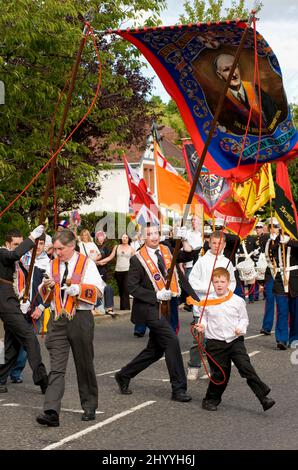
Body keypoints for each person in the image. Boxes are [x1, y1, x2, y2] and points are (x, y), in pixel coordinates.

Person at [114, 224, 192, 403]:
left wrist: (184, 238)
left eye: (157, 233)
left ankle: (124, 375)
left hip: (168, 306)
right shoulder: (137, 259)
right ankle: (178, 388)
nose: (154, 237)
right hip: (150, 308)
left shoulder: (167, 250)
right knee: (172, 340)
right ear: (142, 238)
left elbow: (188, 255)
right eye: (149, 234)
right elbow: (131, 287)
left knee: (155, 350)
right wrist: (155, 295)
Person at [36, 229, 105, 427]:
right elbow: (45, 293)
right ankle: (51, 411)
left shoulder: (86, 263)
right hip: (58, 320)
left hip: (80, 318)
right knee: (57, 367)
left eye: (60, 249)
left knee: (84, 364)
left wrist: (80, 289)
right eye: (55, 249)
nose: (57, 253)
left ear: (71, 246)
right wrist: (47, 286)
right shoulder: (53, 264)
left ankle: (89, 404)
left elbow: (99, 291)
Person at [195, 267, 275, 412]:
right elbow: (204, 319)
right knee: (220, 375)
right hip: (215, 344)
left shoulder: (237, 301)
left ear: (228, 283)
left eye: (222, 281)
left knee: (246, 368)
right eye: (216, 282)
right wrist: (202, 326)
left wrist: (240, 328)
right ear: (212, 283)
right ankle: (210, 399)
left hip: (235, 341)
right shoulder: (206, 301)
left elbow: (244, 319)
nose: (219, 285)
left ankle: (263, 398)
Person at [0, 226, 48, 394]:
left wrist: (23, 301)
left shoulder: (18, 262)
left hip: (12, 302)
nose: (19, 247)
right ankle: (42, 378)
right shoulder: (2, 252)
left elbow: (23, 283)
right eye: (15, 244)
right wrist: (32, 237)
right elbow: (13, 254)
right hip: (4, 303)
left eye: (21, 244)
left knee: (12, 345)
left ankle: (0, 378)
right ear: (7, 243)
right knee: (29, 337)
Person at [187, 230, 236, 381]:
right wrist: (208, 287)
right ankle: (194, 366)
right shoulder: (202, 261)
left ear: (224, 244)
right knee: (199, 339)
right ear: (209, 243)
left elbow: (232, 282)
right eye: (214, 243)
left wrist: (225, 293)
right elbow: (192, 281)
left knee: (218, 340)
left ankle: (216, 368)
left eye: (220, 243)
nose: (216, 246)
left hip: (220, 307)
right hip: (202, 305)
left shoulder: (227, 262)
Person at [214, 53, 279, 135]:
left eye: (235, 67)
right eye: (226, 70)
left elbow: (273, 112)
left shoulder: (255, 88)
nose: (233, 74)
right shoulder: (223, 103)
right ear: (219, 75)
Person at [271, 232, 298, 350]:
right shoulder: (279, 237)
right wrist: (275, 241)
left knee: (295, 312)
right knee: (282, 311)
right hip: (280, 279)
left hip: (295, 279)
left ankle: (294, 338)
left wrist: (289, 242)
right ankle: (281, 339)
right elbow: (272, 251)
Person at [98, 233, 135, 311]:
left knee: (125, 289)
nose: (124, 239)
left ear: (128, 239)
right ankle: (123, 308)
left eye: (126, 237)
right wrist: (100, 261)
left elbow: (135, 261)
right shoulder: (117, 247)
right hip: (118, 271)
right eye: (123, 237)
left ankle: (126, 308)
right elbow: (110, 257)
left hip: (127, 271)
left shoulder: (131, 249)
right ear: (121, 239)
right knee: (121, 290)